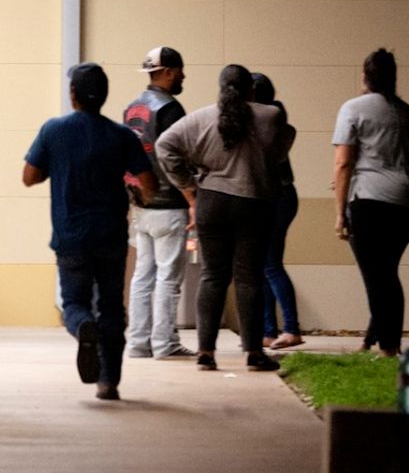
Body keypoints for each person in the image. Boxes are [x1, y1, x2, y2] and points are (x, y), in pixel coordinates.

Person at [23, 63, 157, 400]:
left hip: (70, 237)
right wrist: (137, 193)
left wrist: (53, 170)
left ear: (73, 95)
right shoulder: (122, 135)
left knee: (74, 303)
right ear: (105, 96)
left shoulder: (53, 130)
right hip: (111, 236)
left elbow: (28, 176)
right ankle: (108, 382)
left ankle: (83, 326)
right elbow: (150, 186)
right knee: (112, 307)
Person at [155, 64, 295, 372]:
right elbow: (282, 148)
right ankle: (254, 353)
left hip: (211, 201)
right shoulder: (270, 116)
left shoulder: (202, 117)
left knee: (212, 276)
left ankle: (206, 351)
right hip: (254, 203)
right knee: (249, 278)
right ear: (251, 89)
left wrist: (189, 186)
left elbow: (165, 145)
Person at [332, 48, 409, 357]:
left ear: (364, 76)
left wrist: (339, 214)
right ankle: (372, 339)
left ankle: (390, 348)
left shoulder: (353, 108)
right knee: (385, 271)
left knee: (379, 276)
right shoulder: (406, 111)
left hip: (371, 201)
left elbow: (343, 164)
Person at [123, 46, 196, 359]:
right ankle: (165, 344)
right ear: (167, 72)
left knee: (142, 275)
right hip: (169, 205)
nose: (183, 76)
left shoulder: (131, 108)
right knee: (168, 277)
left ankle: (138, 343)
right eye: (179, 71)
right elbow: (174, 157)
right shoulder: (171, 109)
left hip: (141, 204)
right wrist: (191, 197)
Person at [252, 72, 304, 350]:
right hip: (280, 196)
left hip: (277, 197)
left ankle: (291, 329)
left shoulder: (270, 123)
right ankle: (269, 331)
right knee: (264, 266)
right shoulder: (276, 119)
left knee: (271, 264)